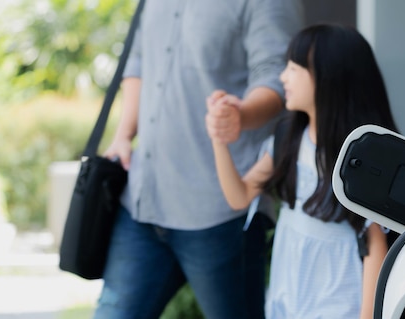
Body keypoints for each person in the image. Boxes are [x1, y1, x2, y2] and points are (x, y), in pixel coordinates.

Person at [93, 1, 304, 318]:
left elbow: (275, 74)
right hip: (141, 202)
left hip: (220, 214)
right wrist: (123, 134)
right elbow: (138, 62)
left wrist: (240, 116)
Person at [205, 24, 397, 319]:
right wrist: (219, 139)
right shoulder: (289, 139)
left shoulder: (363, 160)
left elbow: (374, 243)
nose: (284, 77)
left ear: (329, 77)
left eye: (294, 68)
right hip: (288, 297)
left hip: (337, 302)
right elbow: (239, 196)